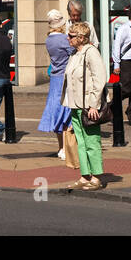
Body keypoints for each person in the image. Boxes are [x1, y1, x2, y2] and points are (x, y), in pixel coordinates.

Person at [63, 21, 107, 190]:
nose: (68, 38)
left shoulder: (91, 52)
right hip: (75, 105)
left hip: (88, 106)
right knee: (80, 142)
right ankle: (84, 175)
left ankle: (96, 177)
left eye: (71, 36)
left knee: (92, 141)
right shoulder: (75, 54)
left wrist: (94, 105)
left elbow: (99, 78)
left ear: (81, 38)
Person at [39, 9, 74, 158]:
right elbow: (75, 51)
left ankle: (61, 147)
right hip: (65, 78)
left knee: (56, 112)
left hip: (54, 78)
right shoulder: (63, 39)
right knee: (66, 113)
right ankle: (66, 148)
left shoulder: (49, 39)